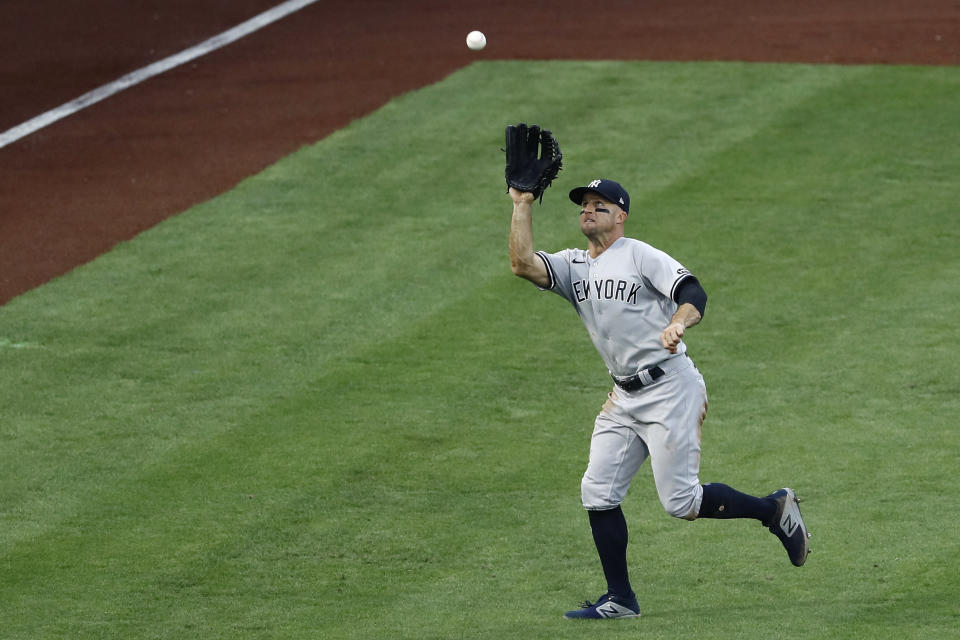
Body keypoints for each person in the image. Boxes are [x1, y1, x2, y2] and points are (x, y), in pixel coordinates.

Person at [507, 179, 810, 620]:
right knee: (597, 492)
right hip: (623, 397)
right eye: (584, 207)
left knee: (681, 503)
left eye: (599, 205)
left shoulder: (639, 254)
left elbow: (693, 292)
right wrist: (522, 204)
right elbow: (521, 264)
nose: (588, 212)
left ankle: (773, 509)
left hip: (671, 389)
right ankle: (621, 600)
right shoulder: (573, 267)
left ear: (621, 215)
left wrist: (679, 324)